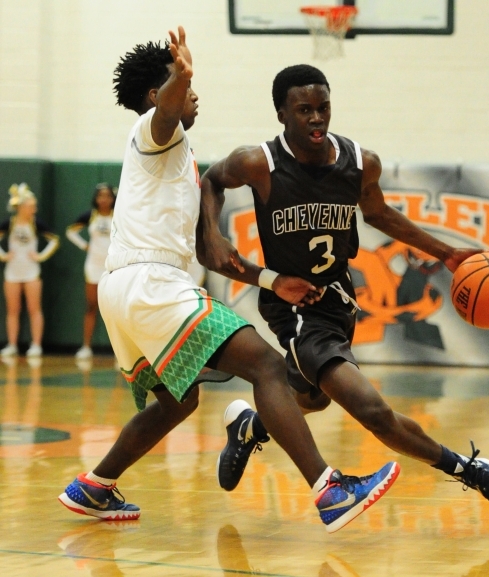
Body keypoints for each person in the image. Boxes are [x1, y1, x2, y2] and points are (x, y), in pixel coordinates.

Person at [58, 29, 399, 534]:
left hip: (128, 289)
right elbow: (169, 108)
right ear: (158, 95)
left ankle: (95, 485)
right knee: (267, 365)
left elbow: (211, 252)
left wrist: (268, 279)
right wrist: (182, 76)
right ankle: (329, 490)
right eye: (184, 90)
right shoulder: (158, 131)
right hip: (151, 283)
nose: (195, 96)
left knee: (180, 400)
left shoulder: (170, 151)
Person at [200, 64, 489, 513]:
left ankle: (251, 426)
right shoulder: (259, 163)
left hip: (339, 302)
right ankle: (471, 470)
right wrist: (212, 232)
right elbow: (212, 180)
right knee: (372, 411)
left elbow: (380, 215)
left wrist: (446, 253)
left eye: (323, 107)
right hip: (294, 308)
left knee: (310, 400)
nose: (317, 118)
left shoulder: (359, 161)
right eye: (304, 110)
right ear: (282, 114)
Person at [0, 183, 60, 357]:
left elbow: (55, 240)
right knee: (12, 310)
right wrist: (3, 256)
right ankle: (12, 344)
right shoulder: (9, 224)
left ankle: (36, 344)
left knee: (35, 309)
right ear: (21, 207)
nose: (34, 209)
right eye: (31, 206)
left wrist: (40, 256)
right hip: (12, 272)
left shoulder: (36, 224)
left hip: (31, 272)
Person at [66, 183, 117, 360]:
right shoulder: (90, 216)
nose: (104, 199)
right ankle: (86, 346)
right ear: (96, 198)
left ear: (113, 198)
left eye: (108, 195)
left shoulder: (118, 216)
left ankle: (119, 352)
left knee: (114, 309)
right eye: (100, 195)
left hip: (112, 266)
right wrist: (84, 245)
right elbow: (70, 232)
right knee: (91, 306)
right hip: (93, 266)